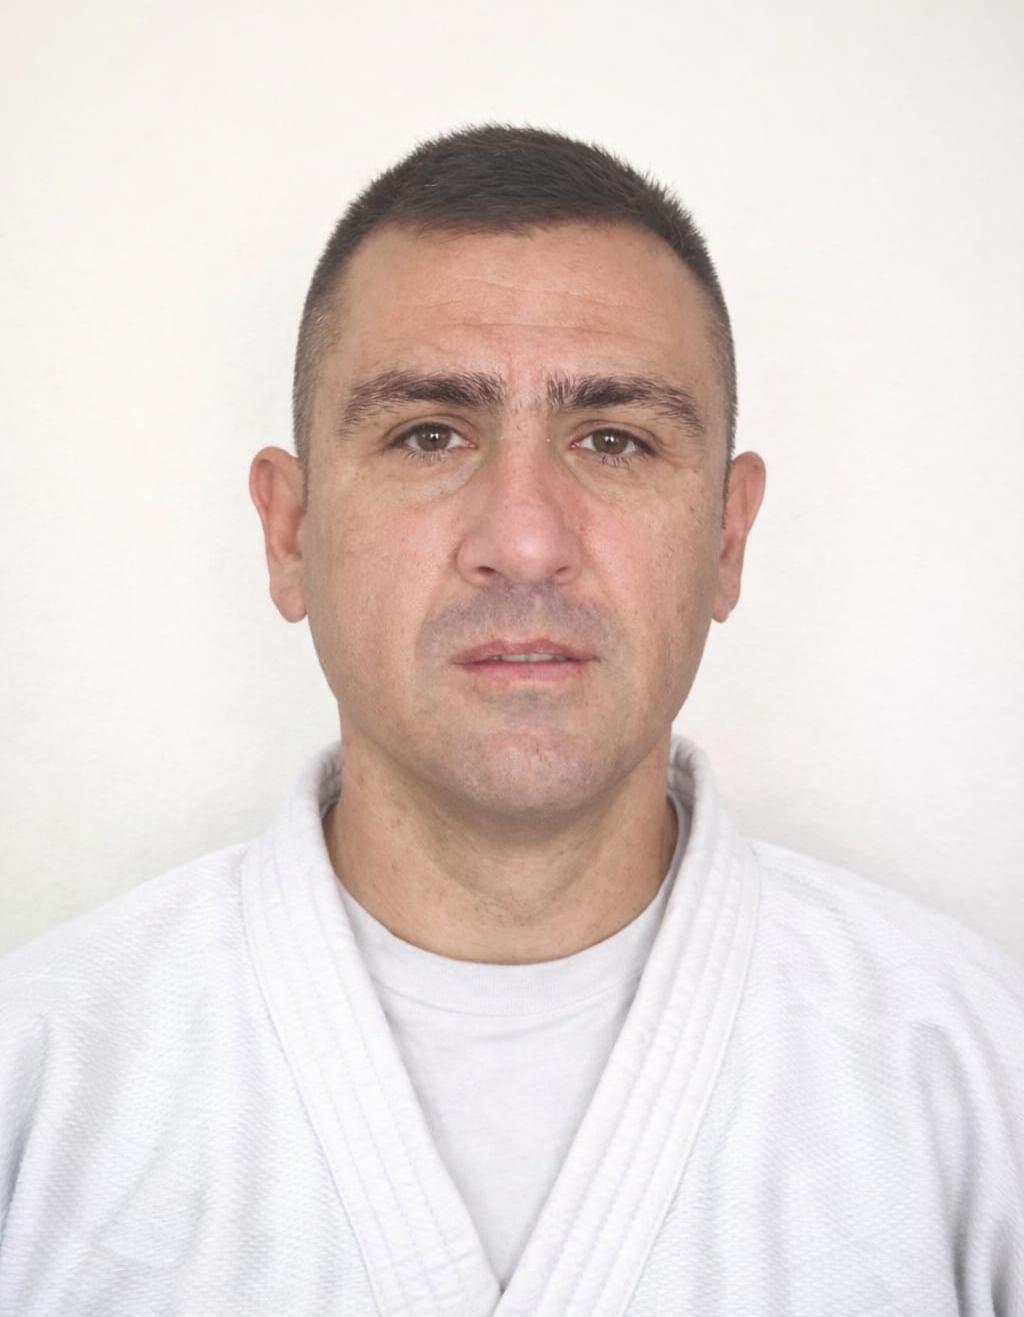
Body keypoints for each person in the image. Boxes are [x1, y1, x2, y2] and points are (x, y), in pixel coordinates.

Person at [1, 125, 1021, 1317]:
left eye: (615, 439)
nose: (525, 540)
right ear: (289, 534)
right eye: (428, 434)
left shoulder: (975, 1078)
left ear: (726, 538)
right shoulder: (40, 1086)